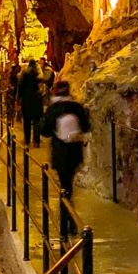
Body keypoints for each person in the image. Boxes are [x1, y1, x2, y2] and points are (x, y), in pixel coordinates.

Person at [40, 80, 90, 209]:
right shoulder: (77, 107)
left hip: (60, 149)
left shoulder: (53, 109)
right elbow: (86, 127)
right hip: (75, 149)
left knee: (63, 178)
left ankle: (66, 205)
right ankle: (68, 199)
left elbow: (44, 131)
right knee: (70, 177)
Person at [17, 59, 44, 147]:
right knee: (36, 121)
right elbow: (41, 87)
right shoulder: (38, 74)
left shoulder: (24, 74)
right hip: (36, 100)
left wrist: (18, 99)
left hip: (26, 99)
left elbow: (20, 87)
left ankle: (27, 139)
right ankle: (36, 141)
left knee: (27, 121)